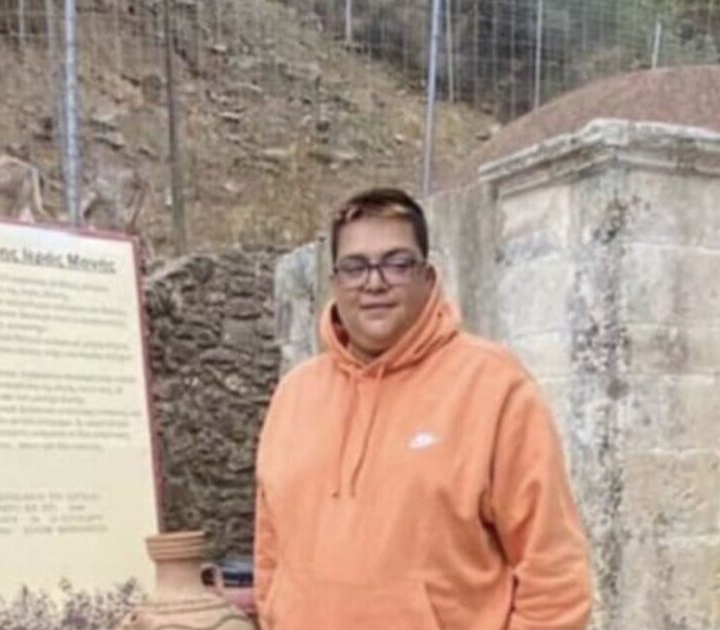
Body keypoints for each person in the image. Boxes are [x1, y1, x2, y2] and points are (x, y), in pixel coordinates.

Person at [253, 188, 592, 629]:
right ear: (335, 283)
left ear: (428, 278)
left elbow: (555, 576)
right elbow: (270, 554)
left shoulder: (494, 387)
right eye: (355, 267)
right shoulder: (294, 395)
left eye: (397, 263)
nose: (374, 282)